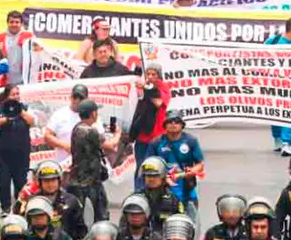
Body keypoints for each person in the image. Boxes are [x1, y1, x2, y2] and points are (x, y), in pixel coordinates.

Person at [68, 98, 122, 223]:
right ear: (93, 113)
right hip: (89, 183)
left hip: (80, 181)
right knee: (99, 218)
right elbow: (110, 146)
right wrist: (118, 134)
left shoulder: (78, 128)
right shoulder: (90, 131)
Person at [151, 110, 204, 232]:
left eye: (177, 121)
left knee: (191, 221)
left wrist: (191, 171)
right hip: (161, 189)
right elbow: (149, 164)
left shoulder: (191, 141)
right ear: (165, 125)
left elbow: (200, 165)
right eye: (170, 121)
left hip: (186, 188)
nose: (173, 124)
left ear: (182, 125)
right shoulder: (157, 142)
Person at [0, 83, 34, 215]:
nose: (16, 97)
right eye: (13, 94)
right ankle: (6, 208)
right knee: (4, 180)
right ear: (7, 96)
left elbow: (32, 121)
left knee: (21, 181)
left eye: (18, 94)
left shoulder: (25, 108)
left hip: (21, 152)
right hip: (3, 153)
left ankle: (20, 207)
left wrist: (20, 111)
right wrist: (6, 118)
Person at [14, 161, 87, 239]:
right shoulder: (31, 201)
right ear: (39, 182)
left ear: (59, 180)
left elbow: (81, 229)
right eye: (46, 181)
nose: (50, 184)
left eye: (53, 180)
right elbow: (22, 226)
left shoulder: (71, 201)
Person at [130, 62, 171, 192]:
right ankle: (139, 192)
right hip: (142, 135)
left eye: (154, 74)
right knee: (141, 166)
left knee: (157, 166)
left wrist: (147, 88)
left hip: (157, 136)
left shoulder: (163, 88)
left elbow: (159, 102)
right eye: (148, 74)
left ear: (159, 76)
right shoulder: (142, 87)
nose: (150, 76)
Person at [265, 17, 291, 156]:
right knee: (276, 112)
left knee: (290, 111)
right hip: (274, 84)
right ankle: (278, 139)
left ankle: (288, 142)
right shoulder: (273, 42)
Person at [138, 157, 184, 234]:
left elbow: (181, 227)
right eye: (148, 176)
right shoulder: (137, 199)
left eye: (155, 176)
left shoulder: (173, 200)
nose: (151, 179)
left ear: (163, 177)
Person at [0, 10, 35, 85]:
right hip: (5, 81)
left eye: (17, 22)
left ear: (21, 24)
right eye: (11, 22)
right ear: (7, 23)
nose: (14, 24)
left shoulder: (29, 36)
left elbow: (40, 51)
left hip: (23, 80)